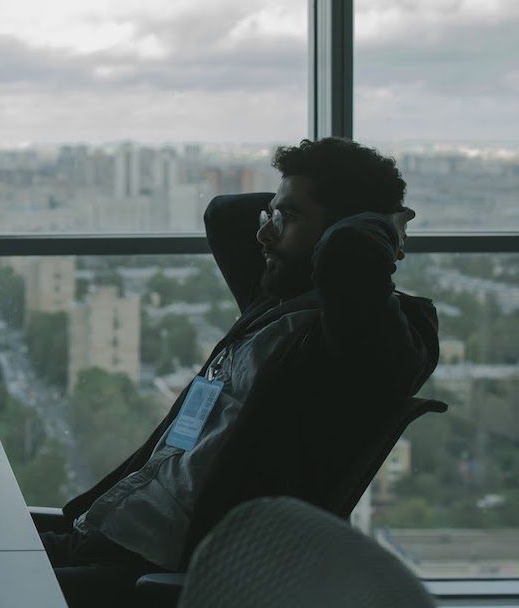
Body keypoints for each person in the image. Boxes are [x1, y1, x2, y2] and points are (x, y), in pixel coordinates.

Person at [39, 137, 440, 607]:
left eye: (287, 219)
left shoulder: (365, 347)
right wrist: (291, 212)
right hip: (103, 536)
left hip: (152, 575)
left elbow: (347, 254)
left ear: (341, 235)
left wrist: (375, 225)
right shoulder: (274, 304)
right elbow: (225, 214)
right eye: (273, 216)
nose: (264, 234)